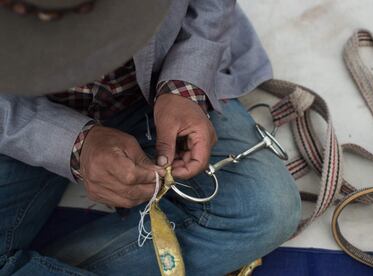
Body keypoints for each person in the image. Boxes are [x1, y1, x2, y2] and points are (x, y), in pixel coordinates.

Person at [0, 0, 301, 275]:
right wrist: (68, 143)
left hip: (154, 75)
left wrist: (185, 87)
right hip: (22, 115)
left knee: (264, 209)